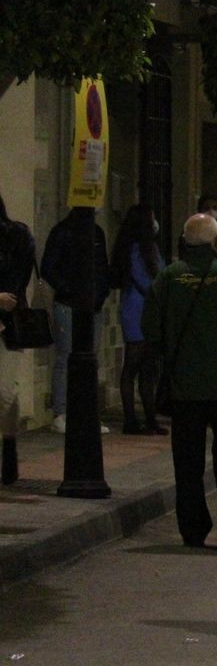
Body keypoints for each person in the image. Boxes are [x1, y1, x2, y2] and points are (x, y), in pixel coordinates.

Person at [143, 214, 217, 549]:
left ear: (185, 243)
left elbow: (150, 327)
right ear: (216, 243)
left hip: (186, 386)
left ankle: (193, 529)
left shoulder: (168, 277)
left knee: (187, 462)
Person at [40, 206, 111, 433]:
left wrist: (100, 294)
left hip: (92, 306)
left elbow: (102, 267)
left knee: (89, 360)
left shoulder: (96, 233)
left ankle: (85, 412)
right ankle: (61, 412)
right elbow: (48, 268)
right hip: (68, 304)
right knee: (65, 358)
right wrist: (69, 290)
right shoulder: (62, 232)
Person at [110, 204, 166, 435]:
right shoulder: (135, 250)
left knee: (148, 368)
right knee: (133, 365)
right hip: (137, 310)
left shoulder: (148, 248)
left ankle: (150, 419)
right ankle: (131, 420)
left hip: (146, 310)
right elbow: (146, 281)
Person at [0, 194, 38, 485]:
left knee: (6, 391)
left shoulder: (16, 237)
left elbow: (17, 285)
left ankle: (9, 447)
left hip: (9, 324)